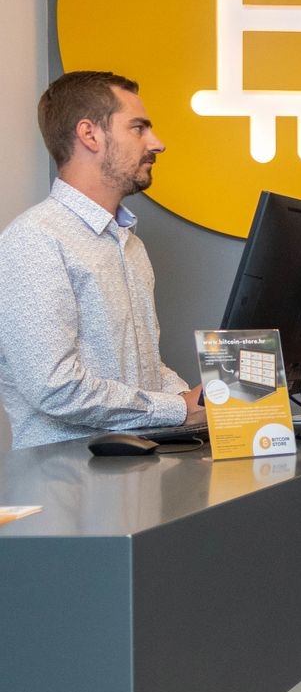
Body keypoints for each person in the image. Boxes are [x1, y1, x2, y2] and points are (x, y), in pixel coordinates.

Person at [0, 71, 204, 449]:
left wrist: (199, 402)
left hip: (136, 468)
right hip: (68, 479)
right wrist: (178, 409)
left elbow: (143, 368)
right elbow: (55, 387)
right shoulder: (35, 240)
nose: (157, 144)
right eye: (139, 128)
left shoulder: (129, 245)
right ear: (89, 134)